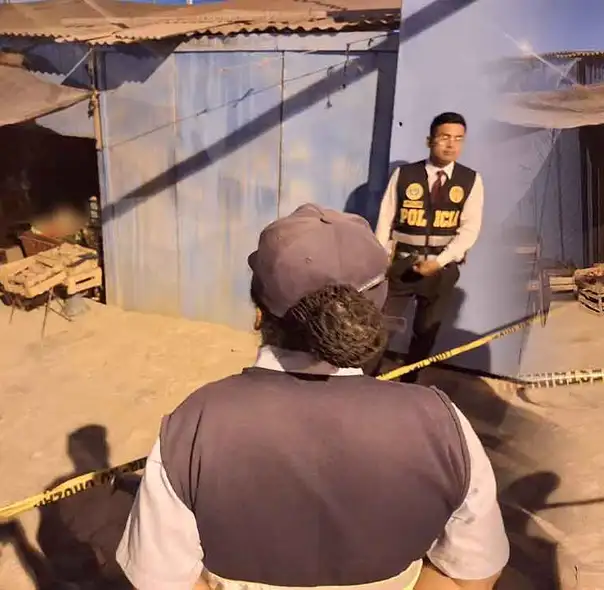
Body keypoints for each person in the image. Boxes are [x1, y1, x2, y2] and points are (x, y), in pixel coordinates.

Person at [116, 204, 509, 590]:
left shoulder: (195, 423)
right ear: (374, 311)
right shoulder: (443, 424)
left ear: (258, 312)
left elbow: (162, 579)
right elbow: (469, 574)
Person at [370, 112, 484, 382]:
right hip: (401, 266)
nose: (451, 145)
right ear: (429, 140)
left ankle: (408, 384)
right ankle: (366, 379)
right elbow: (385, 219)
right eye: (445, 137)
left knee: (425, 332)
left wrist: (441, 261)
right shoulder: (405, 174)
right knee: (380, 326)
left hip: (441, 270)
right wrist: (381, 258)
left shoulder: (470, 180)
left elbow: (469, 229)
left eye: (458, 139)